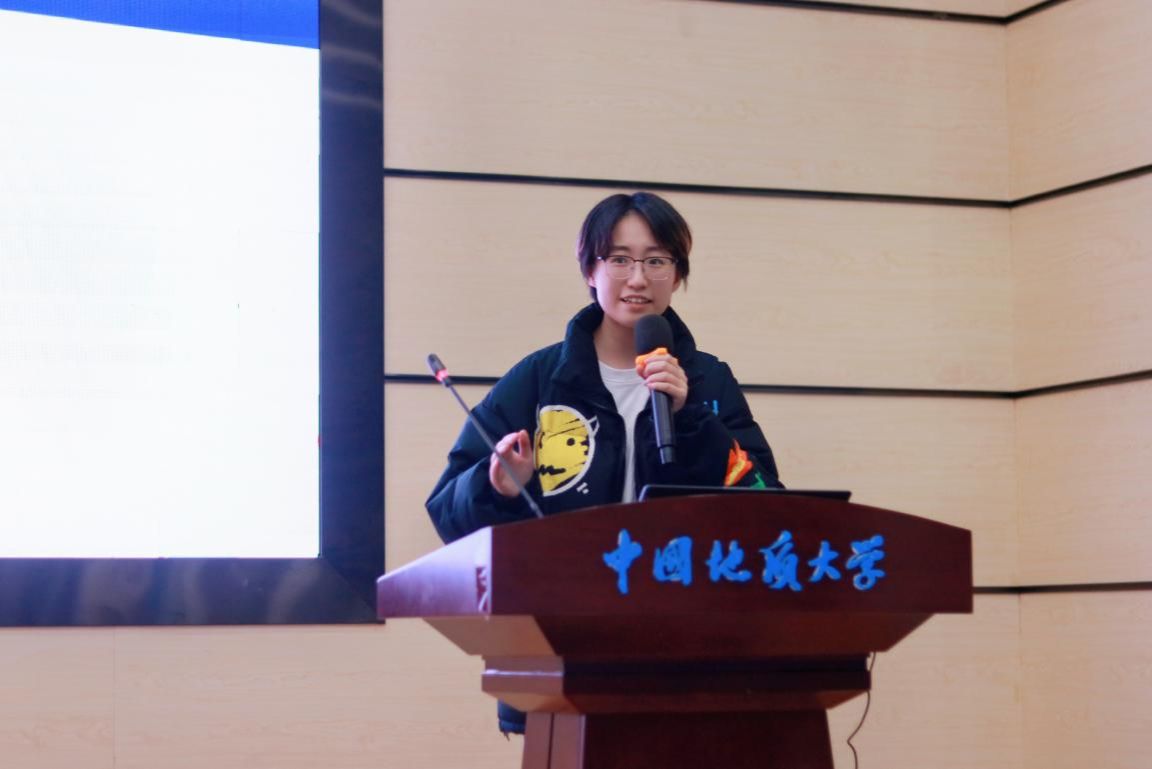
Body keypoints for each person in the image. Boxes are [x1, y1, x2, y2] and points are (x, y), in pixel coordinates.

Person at [425, 191, 783, 734]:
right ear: (590, 271)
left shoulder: (708, 382)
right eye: (619, 259)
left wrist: (692, 421)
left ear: (677, 275)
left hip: (686, 655)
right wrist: (497, 486)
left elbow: (767, 505)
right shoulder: (540, 379)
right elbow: (447, 510)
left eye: (656, 260)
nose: (638, 278)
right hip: (564, 654)